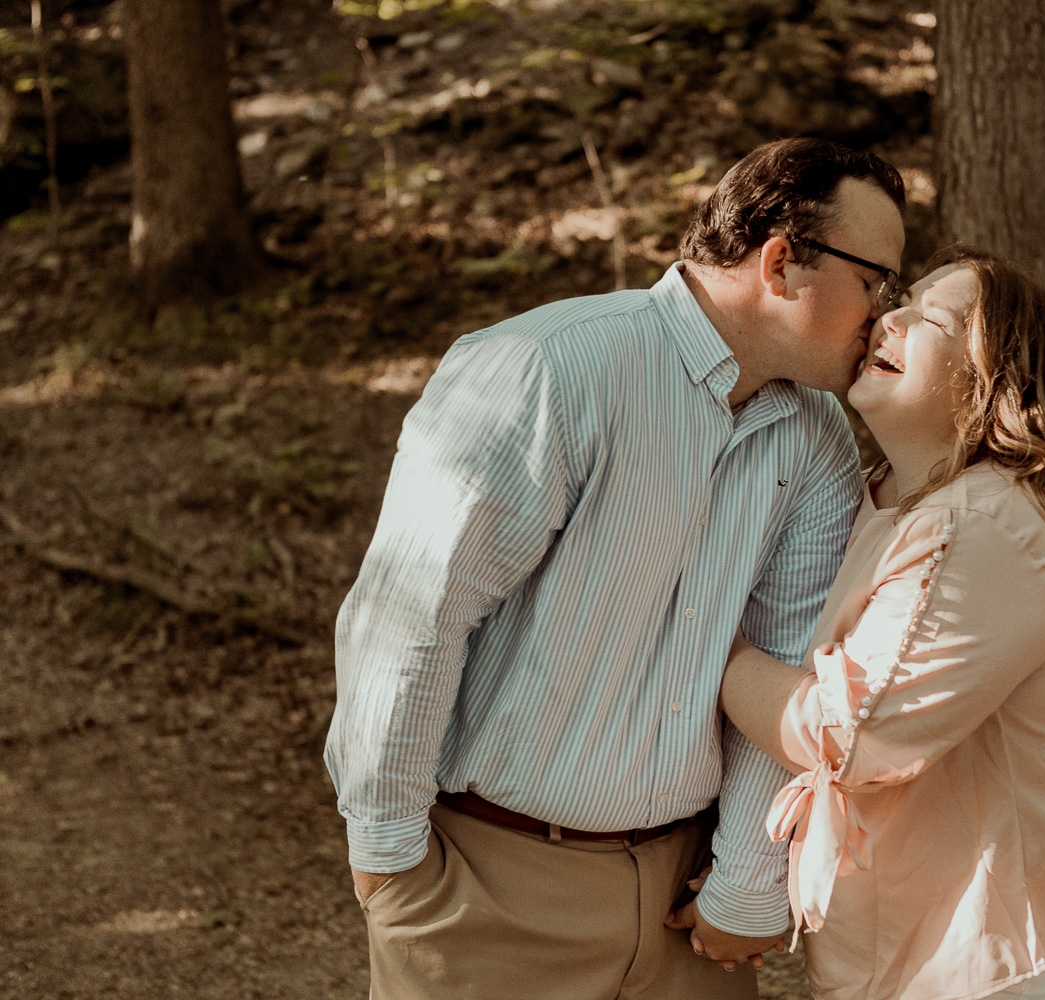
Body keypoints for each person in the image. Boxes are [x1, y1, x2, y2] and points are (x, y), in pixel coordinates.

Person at [323, 137, 907, 999]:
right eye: (875, 281)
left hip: (686, 904)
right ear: (782, 263)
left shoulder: (816, 437)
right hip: (489, 889)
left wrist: (746, 881)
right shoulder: (550, 370)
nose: (885, 317)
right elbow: (414, 613)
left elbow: (794, 667)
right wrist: (389, 862)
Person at [718, 247, 1045, 1000]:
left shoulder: (989, 525)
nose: (891, 318)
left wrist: (709, 647)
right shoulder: (883, 503)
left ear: (994, 377)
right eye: (897, 300)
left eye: (934, 316)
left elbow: (852, 731)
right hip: (917, 943)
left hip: (1014, 952)